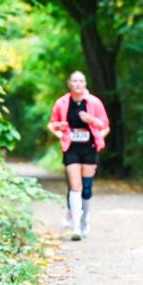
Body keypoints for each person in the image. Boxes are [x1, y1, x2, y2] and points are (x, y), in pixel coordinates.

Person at [48, 71, 111, 241]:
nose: (78, 84)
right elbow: (51, 123)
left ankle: (84, 219)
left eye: (81, 81)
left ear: (85, 83)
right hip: (71, 147)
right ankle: (75, 226)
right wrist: (59, 130)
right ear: (69, 83)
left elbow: (105, 125)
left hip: (89, 147)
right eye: (74, 81)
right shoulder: (62, 102)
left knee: (87, 187)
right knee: (75, 185)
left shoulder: (94, 102)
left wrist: (91, 121)